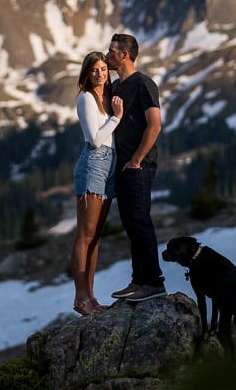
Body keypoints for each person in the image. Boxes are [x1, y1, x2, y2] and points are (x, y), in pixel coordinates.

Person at [105, 33, 166, 302]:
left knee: (140, 221)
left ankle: (153, 282)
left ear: (124, 55)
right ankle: (138, 280)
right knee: (131, 224)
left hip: (139, 166)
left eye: (111, 52)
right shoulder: (117, 86)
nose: (107, 55)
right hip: (123, 166)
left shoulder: (143, 84)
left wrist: (137, 159)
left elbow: (155, 124)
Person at [71, 51, 124, 316]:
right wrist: (116, 118)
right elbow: (94, 139)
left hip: (110, 165)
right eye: (94, 70)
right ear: (87, 73)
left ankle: (91, 296)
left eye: (103, 68)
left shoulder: (108, 97)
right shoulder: (86, 98)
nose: (100, 73)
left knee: (96, 237)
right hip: (93, 163)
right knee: (85, 234)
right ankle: (80, 297)